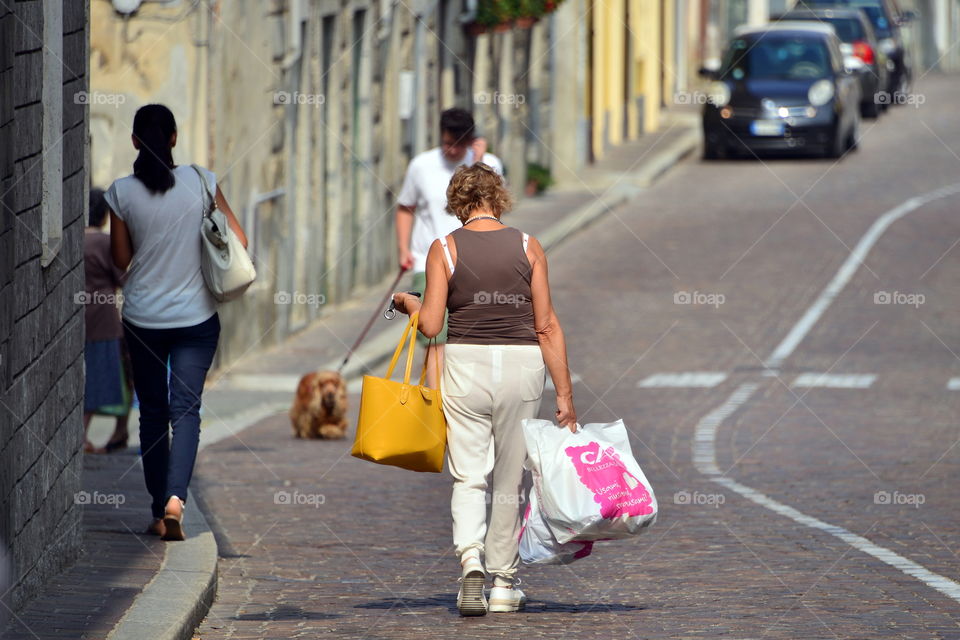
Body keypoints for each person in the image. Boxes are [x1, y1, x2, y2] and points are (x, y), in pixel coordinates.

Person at [392, 163, 577, 616]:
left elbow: (432, 326)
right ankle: (503, 583)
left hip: (466, 365)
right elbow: (547, 325)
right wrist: (566, 397)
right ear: (499, 198)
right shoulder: (528, 246)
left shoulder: (444, 248)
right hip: (521, 365)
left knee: (470, 473)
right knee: (510, 478)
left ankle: (470, 558)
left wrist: (407, 303)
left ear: (458, 205)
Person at [105, 104, 247, 541]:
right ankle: (175, 501)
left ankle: (155, 507)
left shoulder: (121, 193)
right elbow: (238, 240)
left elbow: (121, 260)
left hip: (144, 319)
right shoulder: (202, 181)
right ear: (174, 138)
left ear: (133, 142)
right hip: (197, 319)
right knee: (186, 411)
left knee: (152, 412)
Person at [395, 108, 503, 387]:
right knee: (434, 336)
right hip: (428, 261)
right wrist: (403, 250)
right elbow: (405, 207)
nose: (452, 150)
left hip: (476, 261)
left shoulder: (489, 165)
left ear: (472, 141)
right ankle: (437, 410)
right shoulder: (421, 165)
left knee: (474, 337)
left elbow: (492, 211)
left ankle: (467, 398)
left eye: (459, 144)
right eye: (447, 143)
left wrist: (477, 163)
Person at [82, 187, 132, 454]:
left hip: (80, 313)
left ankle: (113, 434)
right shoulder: (104, 242)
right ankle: (84, 435)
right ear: (104, 215)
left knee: (87, 371)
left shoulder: (75, 240)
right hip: (103, 317)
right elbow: (123, 278)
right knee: (102, 373)